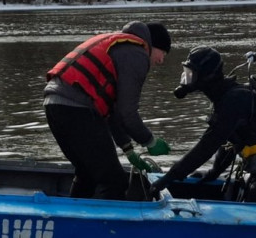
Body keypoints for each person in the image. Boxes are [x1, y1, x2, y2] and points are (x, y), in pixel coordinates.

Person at [151, 46, 256, 221]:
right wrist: (214, 172)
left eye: (191, 73)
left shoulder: (234, 100)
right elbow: (228, 141)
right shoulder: (226, 97)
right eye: (186, 72)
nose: (187, 78)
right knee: (252, 229)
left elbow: (206, 147)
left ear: (207, 76)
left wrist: (167, 179)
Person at [44, 21, 172, 200]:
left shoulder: (121, 46)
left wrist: (128, 150)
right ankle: (106, 226)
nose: (160, 61)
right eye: (163, 53)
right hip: (77, 109)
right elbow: (128, 113)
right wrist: (149, 141)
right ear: (153, 45)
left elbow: (113, 111)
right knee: (115, 181)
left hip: (55, 106)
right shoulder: (137, 54)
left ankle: (77, 220)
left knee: (87, 173)